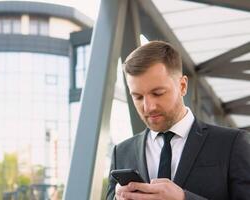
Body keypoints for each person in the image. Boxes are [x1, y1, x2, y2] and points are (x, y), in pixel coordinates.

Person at [106, 41, 250, 200]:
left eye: (158, 93)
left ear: (182, 86)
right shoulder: (121, 153)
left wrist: (184, 198)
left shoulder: (232, 144)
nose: (148, 107)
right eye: (138, 97)